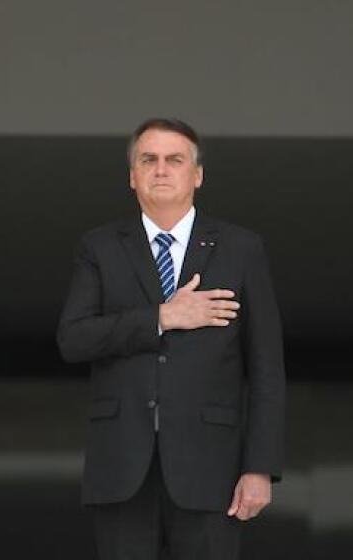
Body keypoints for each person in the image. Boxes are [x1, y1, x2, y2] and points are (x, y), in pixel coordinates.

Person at [57, 118, 285, 559]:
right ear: (132, 175)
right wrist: (161, 317)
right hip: (122, 467)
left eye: (174, 160)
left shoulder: (241, 248)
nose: (161, 169)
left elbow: (266, 368)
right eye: (149, 160)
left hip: (212, 468)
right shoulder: (100, 247)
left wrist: (260, 467)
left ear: (196, 175)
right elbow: (73, 338)